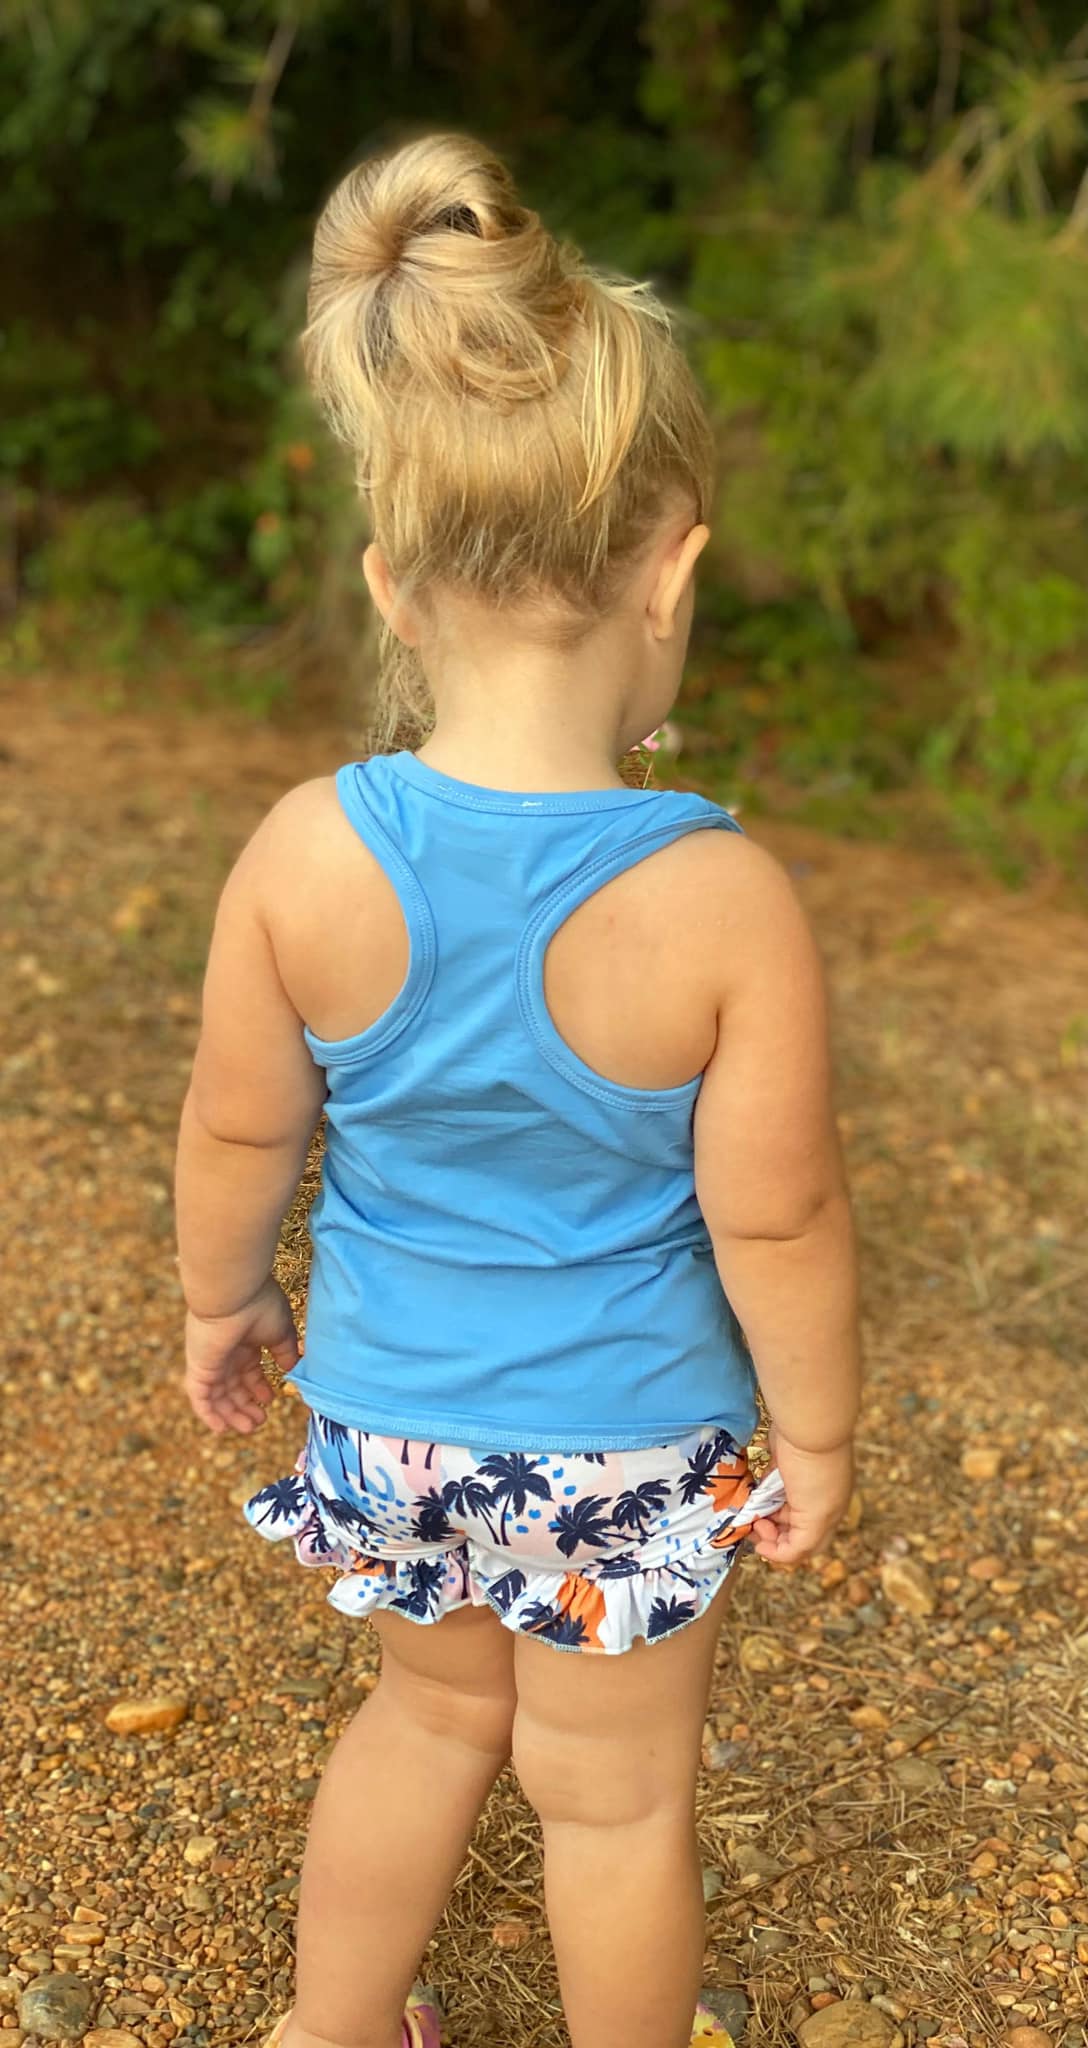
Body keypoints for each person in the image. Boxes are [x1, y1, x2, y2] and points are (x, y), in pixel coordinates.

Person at [175, 132, 861, 2048]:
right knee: (616, 1798)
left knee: (426, 1716)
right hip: (632, 1445)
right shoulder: (722, 904)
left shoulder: (306, 856)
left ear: (395, 586)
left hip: (397, 1420)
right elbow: (779, 1213)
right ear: (672, 570)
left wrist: (230, 1303)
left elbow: (242, 1129)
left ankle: (329, 2028)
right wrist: (817, 1432)